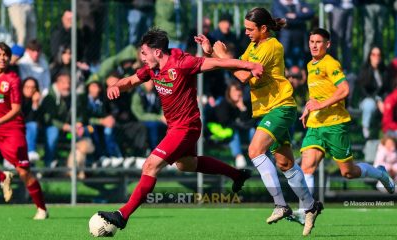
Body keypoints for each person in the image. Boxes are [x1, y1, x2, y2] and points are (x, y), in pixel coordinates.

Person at [97, 28, 263, 231]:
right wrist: (115, 85)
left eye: (144, 52)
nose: (142, 57)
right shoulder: (152, 68)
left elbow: (219, 63)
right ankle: (237, 175)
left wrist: (250, 65)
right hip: (175, 127)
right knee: (186, 164)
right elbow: (131, 81)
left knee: (150, 166)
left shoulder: (183, 63)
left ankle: (122, 215)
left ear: (157, 52)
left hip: (186, 127)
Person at [196, 7, 321, 236]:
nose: (246, 32)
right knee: (285, 164)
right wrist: (210, 53)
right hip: (267, 110)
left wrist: (222, 55)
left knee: (254, 150)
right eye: (245, 28)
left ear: (264, 29)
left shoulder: (272, 45)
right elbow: (235, 66)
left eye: (250, 29)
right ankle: (310, 205)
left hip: (281, 107)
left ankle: (281, 205)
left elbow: (243, 76)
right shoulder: (253, 46)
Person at [292, 28, 395, 224]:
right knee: (306, 166)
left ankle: (380, 172)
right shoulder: (309, 64)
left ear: (327, 45)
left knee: (348, 172)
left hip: (335, 125)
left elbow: (345, 89)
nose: (314, 45)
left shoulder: (331, 64)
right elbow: (316, 93)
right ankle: (305, 210)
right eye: (311, 41)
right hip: (316, 124)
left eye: (318, 42)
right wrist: (308, 107)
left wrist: (321, 105)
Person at [0, 42, 47, 219]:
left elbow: (16, 109)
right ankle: (3, 177)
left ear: (10, 58)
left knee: (24, 171)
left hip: (12, 130)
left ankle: (42, 208)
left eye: (5, 55)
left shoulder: (13, 80)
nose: (2, 58)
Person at [21, 77, 41, 162]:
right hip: (15, 126)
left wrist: (35, 103)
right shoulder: (17, 98)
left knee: (32, 125)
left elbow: (33, 120)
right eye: (27, 87)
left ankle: (30, 152)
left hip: (28, 128)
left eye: (33, 87)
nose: (30, 90)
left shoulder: (37, 100)